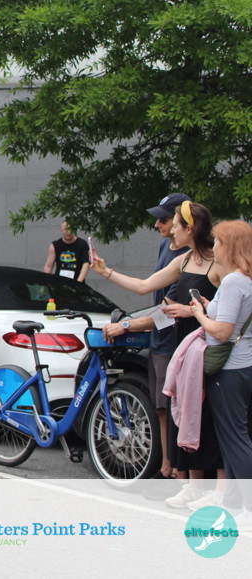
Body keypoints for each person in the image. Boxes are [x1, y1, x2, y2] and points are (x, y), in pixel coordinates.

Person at [93, 200, 225, 509]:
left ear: (190, 228)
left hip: (211, 349)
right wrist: (106, 271)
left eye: (174, 225)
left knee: (210, 418)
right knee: (186, 414)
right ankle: (192, 487)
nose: (169, 231)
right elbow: (144, 287)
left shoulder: (219, 262)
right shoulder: (183, 260)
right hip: (186, 348)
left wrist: (195, 311)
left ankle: (218, 491)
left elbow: (234, 306)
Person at [100, 191, 191, 480]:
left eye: (164, 220)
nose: (158, 225)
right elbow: (146, 287)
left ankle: (179, 470)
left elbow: (168, 310)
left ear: (183, 223)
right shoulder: (167, 248)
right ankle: (168, 464)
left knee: (178, 409)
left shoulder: (190, 259)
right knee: (161, 407)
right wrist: (107, 272)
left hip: (179, 343)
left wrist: (126, 326)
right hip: (160, 342)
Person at [190, 220, 252, 528]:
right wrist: (209, 307)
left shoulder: (232, 282)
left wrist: (200, 315)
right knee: (234, 437)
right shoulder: (247, 280)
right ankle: (233, 502)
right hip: (245, 366)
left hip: (228, 368)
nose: (213, 247)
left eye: (217, 242)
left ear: (229, 246)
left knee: (235, 438)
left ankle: (249, 508)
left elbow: (224, 331)